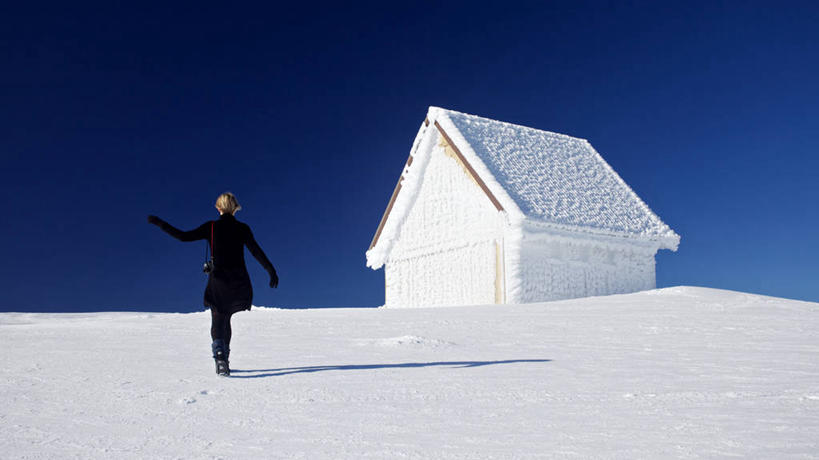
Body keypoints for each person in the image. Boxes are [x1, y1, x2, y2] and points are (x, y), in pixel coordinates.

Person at [148, 192, 278, 376]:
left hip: (219, 279)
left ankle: (220, 357)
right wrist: (270, 270)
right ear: (234, 208)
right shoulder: (243, 228)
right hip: (239, 280)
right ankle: (225, 358)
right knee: (227, 318)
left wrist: (159, 222)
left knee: (218, 316)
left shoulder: (211, 227)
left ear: (218, 208)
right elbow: (256, 252)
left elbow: (183, 236)